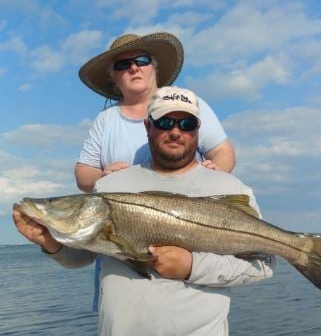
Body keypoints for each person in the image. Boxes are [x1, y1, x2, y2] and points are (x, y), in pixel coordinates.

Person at [13, 86, 274, 336]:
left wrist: (192, 266)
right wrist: (48, 242)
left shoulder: (230, 187)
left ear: (198, 130)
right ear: (148, 126)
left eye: (186, 124)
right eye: (164, 122)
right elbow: (80, 258)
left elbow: (262, 265)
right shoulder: (109, 185)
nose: (175, 131)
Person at [76, 31, 236, 193]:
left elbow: (223, 152)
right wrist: (103, 178)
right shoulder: (105, 119)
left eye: (142, 61)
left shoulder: (186, 102)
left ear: (155, 68)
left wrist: (212, 177)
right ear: (114, 77)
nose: (134, 68)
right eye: (123, 64)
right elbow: (83, 172)